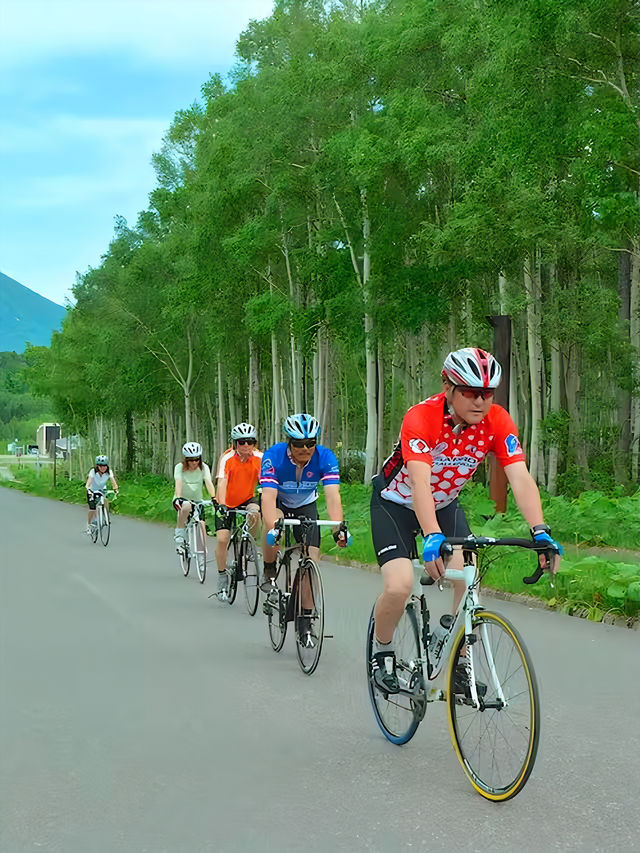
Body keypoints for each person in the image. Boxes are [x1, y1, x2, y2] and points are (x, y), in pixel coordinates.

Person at [370, 347, 563, 694]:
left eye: (488, 394)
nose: (480, 401)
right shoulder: (421, 418)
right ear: (448, 387)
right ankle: (382, 651)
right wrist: (432, 536)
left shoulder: (497, 421)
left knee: (467, 575)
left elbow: (519, 477)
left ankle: (458, 658)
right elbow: (420, 483)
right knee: (399, 585)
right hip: (395, 503)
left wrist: (540, 531)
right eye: (471, 392)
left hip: (445, 504)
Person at [260, 413, 349, 599]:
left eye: (310, 443)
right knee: (273, 526)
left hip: (305, 504)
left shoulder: (325, 457)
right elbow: (268, 497)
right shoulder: (273, 456)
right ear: (289, 442)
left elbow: (333, 497)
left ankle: (305, 613)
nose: (305, 448)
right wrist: (273, 528)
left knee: (312, 558)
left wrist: (337, 529)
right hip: (279, 502)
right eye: (298, 444)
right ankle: (269, 569)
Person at [214, 423, 263, 600]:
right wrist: (221, 505)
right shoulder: (227, 458)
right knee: (222, 539)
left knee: (255, 513)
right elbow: (222, 482)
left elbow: (265, 480)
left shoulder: (259, 458)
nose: (246, 446)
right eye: (242, 442)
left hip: (247, 498)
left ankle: (249, 543)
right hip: (226, 501)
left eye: (250, 442)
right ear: (235, 444)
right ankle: (222, 577)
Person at [173, 441, 216, 555]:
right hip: (182, 498)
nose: (194, 462)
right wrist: (178, 497)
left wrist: (213, 497)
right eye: (191, 460)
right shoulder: (179, 467)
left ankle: (202, 552)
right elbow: (178, 482)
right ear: (186, 460)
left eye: (197, 459)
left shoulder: (204, 467)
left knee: (201, 524)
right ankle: (179, 533)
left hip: (197, 500)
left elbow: (208, 482)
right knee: (186, 506)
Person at [85, 455, 119, 533]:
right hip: (92, 490)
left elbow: (113, 482)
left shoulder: (109, 471)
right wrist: (88, 488)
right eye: (101, 466)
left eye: (104, 466)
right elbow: (89, 482)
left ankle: (106, 516)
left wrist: (116, 489)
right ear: (97, 466)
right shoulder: (93, 471)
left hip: (102, 490)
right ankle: (89, 525)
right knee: (92, 509)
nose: (103, 468)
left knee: (105, 500)